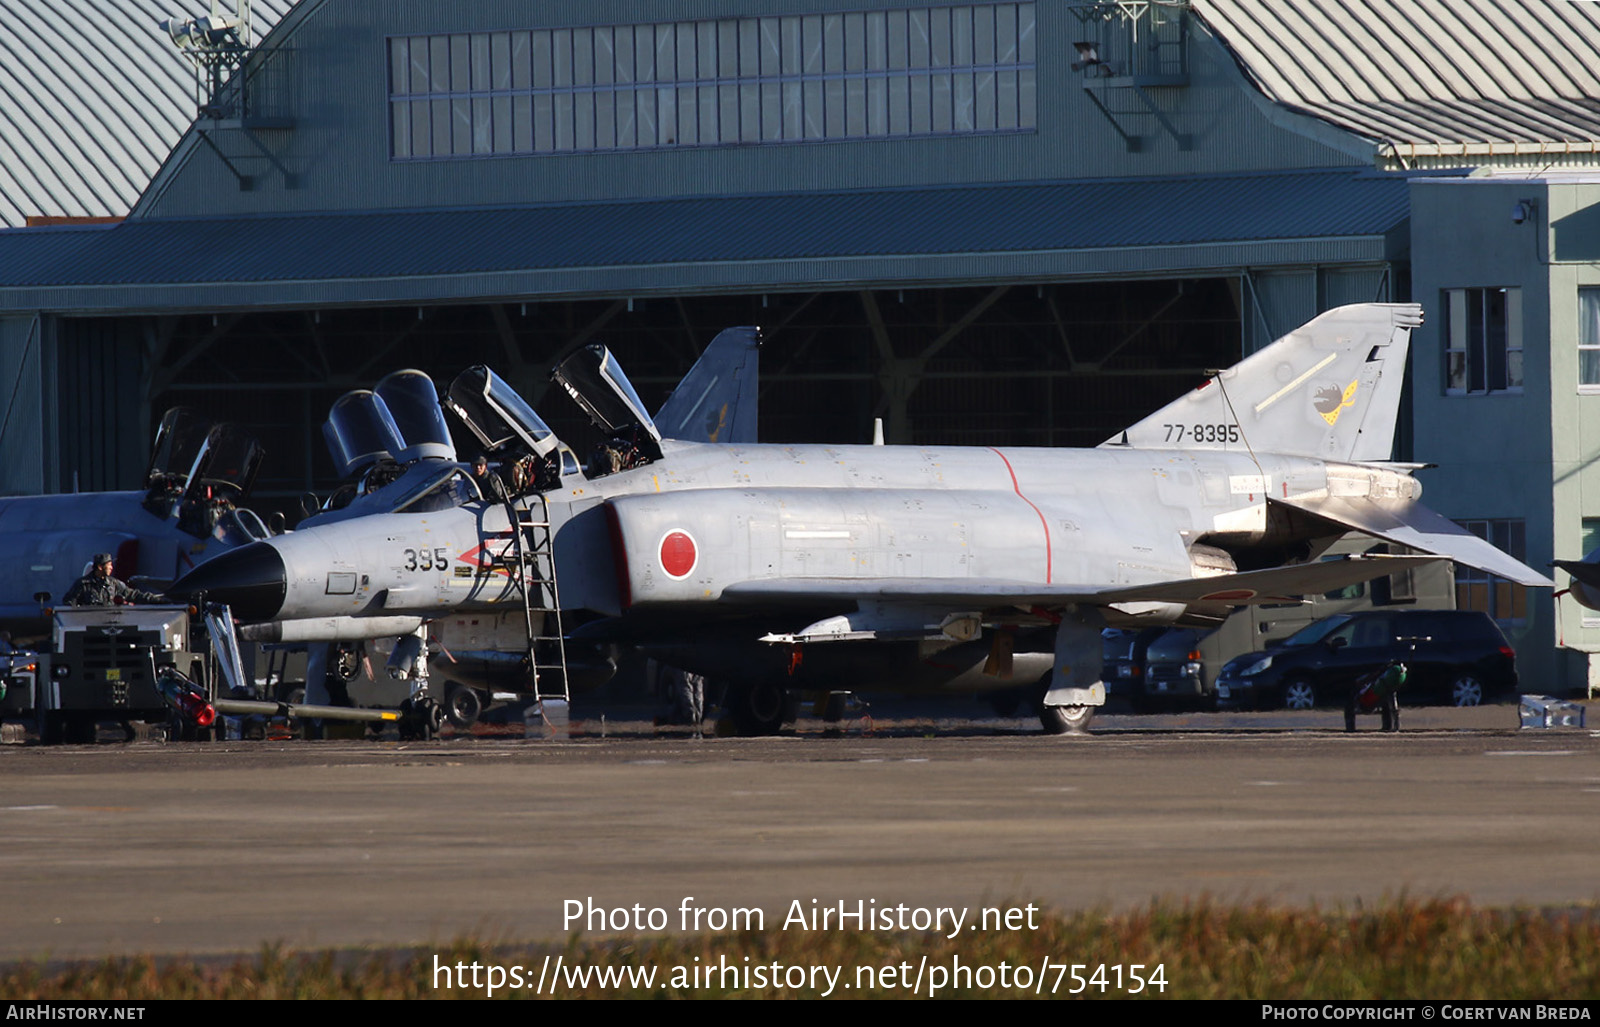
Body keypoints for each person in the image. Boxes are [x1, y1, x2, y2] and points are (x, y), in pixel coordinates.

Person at [62, 553, 164, 607]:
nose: (111, 568)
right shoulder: (82, 585)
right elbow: (69, 603)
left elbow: (134, 595)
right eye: (109, 565)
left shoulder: (114, 584)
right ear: (100, 567)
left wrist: (158, 600)